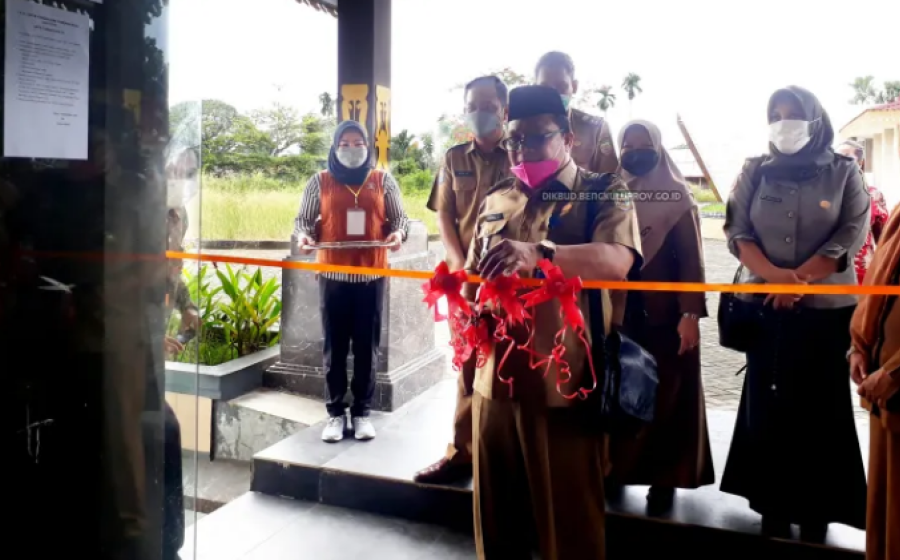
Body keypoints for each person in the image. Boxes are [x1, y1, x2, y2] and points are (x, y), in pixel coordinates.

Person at [465, 85, 641, 559]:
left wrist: (541, 254)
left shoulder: (603, 191)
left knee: (568, 524)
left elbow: (617, 261)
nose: (523, 150)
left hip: (565, 384)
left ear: (568, 138)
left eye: (538, 137)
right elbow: (475, 276)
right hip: (494, 380)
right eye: (515, 140)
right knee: (496, 522)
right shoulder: (498, 198)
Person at [721, 86, 869, 541]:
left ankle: (817, 510)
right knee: (768, 405)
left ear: (815, 121)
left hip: (826, 314)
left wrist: (799, 280)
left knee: (821, 410)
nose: (783, 122)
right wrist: (775, 280)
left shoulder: (844, 172)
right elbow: (737, 231)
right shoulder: (754, 170)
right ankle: (772, 505)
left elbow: (851, 232)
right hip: (764, 310)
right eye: (775, 114)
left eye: (793, 113)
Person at [607, 120, 714, 511]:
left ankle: (664, 478)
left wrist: (690, 314)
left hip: (665, 316)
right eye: (628, 145)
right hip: (620, 312)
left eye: (643, 144)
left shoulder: (677, 196)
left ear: (658, 147)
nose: (635, 152)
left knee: (666, 397)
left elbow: (691, 260)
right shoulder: (610, 192)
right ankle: (616, 469)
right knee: (619, 394)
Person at [416, 76, 512, 485]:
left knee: (510, 367)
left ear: (504, 110)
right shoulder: (454, 158)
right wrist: (459, 264)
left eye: (488, 106)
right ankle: (461, 454)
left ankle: (507, 459)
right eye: (473, 106)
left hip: (510, 283)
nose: (479, 113)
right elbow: (444, 213)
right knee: (469, 365)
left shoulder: (521, 154)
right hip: (464, 281)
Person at [295, 120, 409, 443]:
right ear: (334, 148)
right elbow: (302, 222)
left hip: (371, 276)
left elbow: (400, 220)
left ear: (367, 147)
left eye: (357, 143)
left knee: (365, 348)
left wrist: (398, 235)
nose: (351, 149)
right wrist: (304, 237)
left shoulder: (383, 181)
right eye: (344, 144)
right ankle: (335, 414)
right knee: (334, 348)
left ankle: (361, 412)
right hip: (333, 277)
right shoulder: (319, 182)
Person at [849, 204, 900, 560]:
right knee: (886, 510)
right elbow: (878, 279)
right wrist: (859, 345)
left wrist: (895, 373)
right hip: (885, 394)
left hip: (893, 380)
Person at [535, 51, 619, 174]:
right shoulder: (523, 131)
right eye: (545, 88)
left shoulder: (596, 129)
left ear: (574, 86)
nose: (553, 94)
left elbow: (610, 179)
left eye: (561, 87)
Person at [837, 140, 890, 284]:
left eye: (845, 157)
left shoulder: (874, 195)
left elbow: (884, 238)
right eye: (836, 157)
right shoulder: (824, 196)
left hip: (865, 273)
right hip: (830, 271)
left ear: (860, 163)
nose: (839, 162)